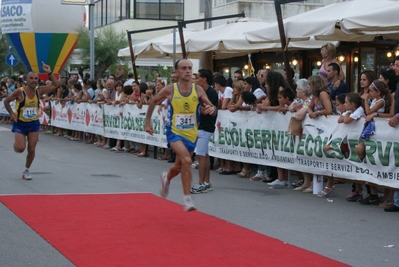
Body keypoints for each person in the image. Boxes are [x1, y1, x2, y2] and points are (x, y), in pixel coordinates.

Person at [144, 59, 217, 211]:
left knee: (179, 166)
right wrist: (147, 122)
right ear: (177, 73)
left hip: (191, 133)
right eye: (183, 68)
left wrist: (211, 109)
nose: (188, 71)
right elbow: (153, 102)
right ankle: (187, 199)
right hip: (174, 132)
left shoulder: (198, 90)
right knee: (187, 160)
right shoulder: (170, 89)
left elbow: (210, 106)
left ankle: (167, 178)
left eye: (190, 68)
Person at [4, 62, 59, 180]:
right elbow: (6, 101)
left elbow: (56, 84)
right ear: (26, 80)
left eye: (36, 78)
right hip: (20, 124)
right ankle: (16, 145)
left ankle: (26, 170)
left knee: (32, 148)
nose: (34, 80)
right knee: (20, 148)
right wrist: (12, 113)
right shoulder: (19, 92)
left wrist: (49, 72)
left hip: (33, 123)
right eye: (31, 78)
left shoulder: (39, 91)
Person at [190, 69, 218, 194]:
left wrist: (205, 109)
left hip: (205, 127)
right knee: (204, 155)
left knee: (201, 155)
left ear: (204, 79)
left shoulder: (210, 92)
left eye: (198, 78)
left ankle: (201, 183)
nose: (195, 80)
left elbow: (211, 109)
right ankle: (206, 182)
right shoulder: (201, 92)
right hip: (200, 126)